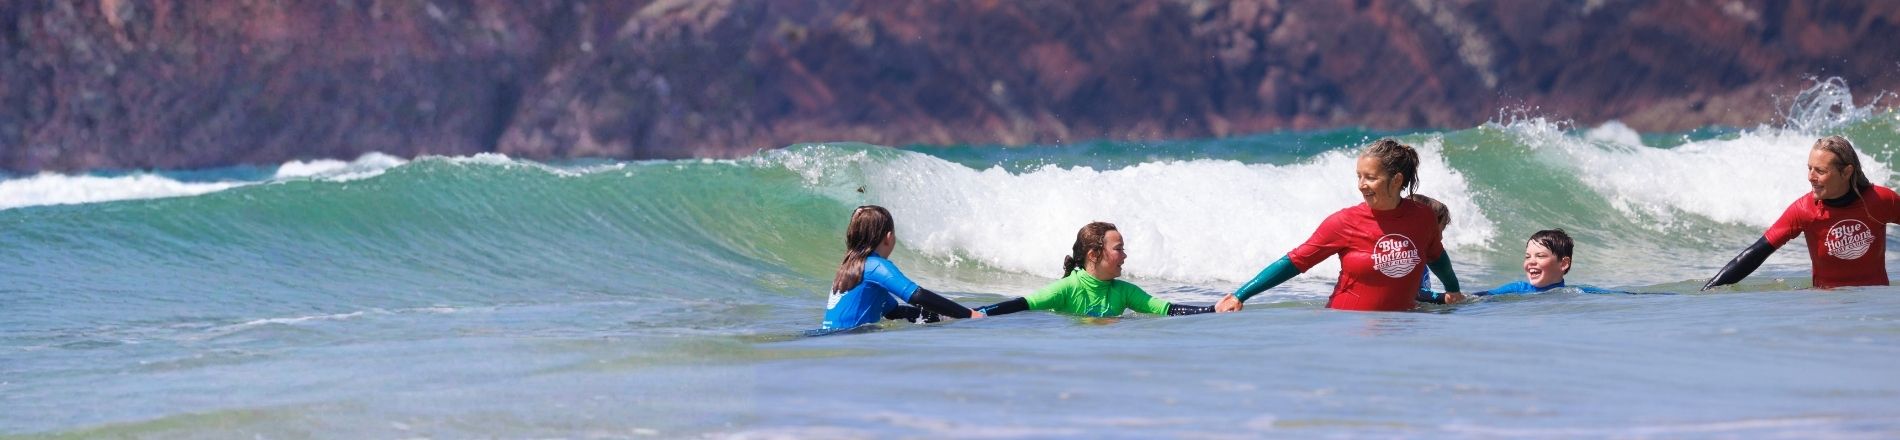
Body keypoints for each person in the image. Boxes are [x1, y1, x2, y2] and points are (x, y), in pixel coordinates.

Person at [1215, 139, 1462, 312]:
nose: (1361, 185)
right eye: (1359, 176)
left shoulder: (1422, 217)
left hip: (1401, 328)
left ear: (1397, 180)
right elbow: (1294, 262)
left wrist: (1453, 291)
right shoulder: (1345, 222)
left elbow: (1436, 256)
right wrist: (1240, 295)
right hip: (1348, 326)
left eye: (1371, 178)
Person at [1703, 136, 1900, 290]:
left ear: (1847, 172)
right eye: (1809, 169)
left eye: (1820, 171)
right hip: (1827, 308)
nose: (1810, 177)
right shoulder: (1804, 210)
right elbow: (1756, 254)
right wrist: (1708, 290)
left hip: (1873, 303)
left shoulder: (1880, 200)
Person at [976, 221, 1220, 317]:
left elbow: (1167, 310)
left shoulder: (1124, 291)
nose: (1124, 255)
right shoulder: (1068, 288)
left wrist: (1212, 309)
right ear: (1094, 254)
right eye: (1119, 249)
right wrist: (975, 314)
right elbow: (1021, 304)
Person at [821, 205, 982, 331]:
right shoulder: (876, 265)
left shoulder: (849, 269)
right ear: (889, 237)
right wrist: (968, 315)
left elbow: (895, 312)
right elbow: (917, 296)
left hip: (833, 339)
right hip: (852, 339)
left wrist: (946, 315)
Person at [1409, 194, 1459, 304]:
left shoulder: (1419, 258)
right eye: (1438, 232)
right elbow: (1411, 293)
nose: (1441, 237)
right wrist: (1445, 298)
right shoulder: (1407, 260)